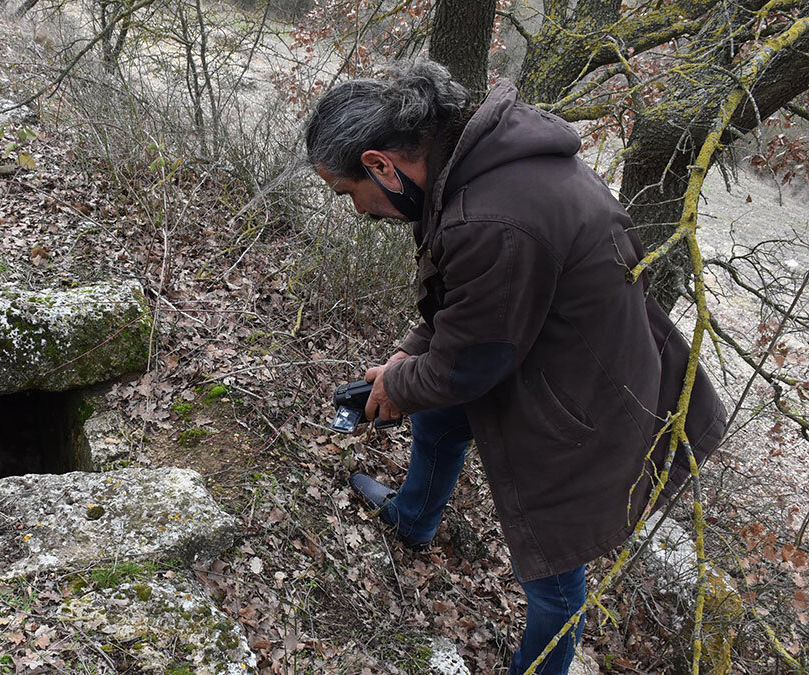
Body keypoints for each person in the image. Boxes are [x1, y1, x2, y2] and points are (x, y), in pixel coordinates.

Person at [305, 59, 727, 673]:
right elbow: (476, 303)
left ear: (381, 165)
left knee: (553, 567)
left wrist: (399, 382)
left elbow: (469, 363)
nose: (358, 210)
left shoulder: (490, 215)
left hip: (582, 397)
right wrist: (412, 352)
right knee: (441, 418)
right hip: (548, 351)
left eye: (349, 193)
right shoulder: (479, 166)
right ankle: (413, 519)